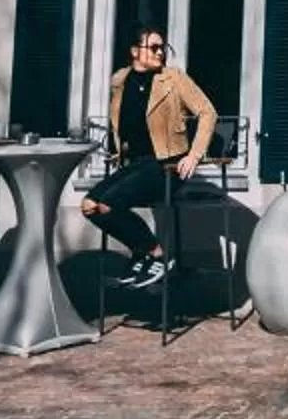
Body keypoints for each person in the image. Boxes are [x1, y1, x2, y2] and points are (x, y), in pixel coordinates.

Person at [79, 25, 218, 289]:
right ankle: (141, 252)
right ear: (135, 51)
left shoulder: (173, 79)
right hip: (136, 165)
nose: (160, 53)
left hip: (167, 165)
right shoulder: (120, 81)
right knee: (90, 206)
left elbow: (208, 112)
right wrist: (118, 152)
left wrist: (194, 155)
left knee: (108, 205)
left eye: (162, 48)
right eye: (153, 47)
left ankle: (157, 254)